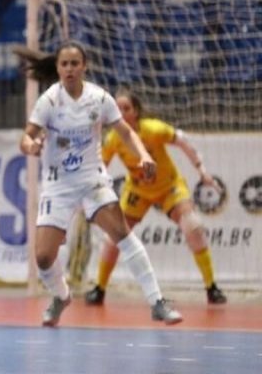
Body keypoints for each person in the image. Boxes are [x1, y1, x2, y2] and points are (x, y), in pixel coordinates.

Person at [19, 40, 182, 327]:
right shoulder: (49, 101)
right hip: (58, 184)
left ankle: (157, 302)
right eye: (64, 64)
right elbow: (26, 137)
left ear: (84, 66)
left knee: (121, 232)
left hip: (92, 178)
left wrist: (143, 154)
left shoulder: (99, 98)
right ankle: (61, 296)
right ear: (58, 67)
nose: (69, 69)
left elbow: (126, 132)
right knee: (44, 257)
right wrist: (32, 146)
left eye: (74, 63)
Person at [85, 87, 227, 306]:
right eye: (118, 108)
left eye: (127, 108)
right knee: (113, 236)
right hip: (138, 191)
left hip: (169, 186)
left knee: (193, 227)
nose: (121, 113)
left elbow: (182, 141)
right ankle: (99, 289)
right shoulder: (113, 139)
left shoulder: (153, 130)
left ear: (136, 112)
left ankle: (212, 287)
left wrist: (203, 172)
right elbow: (100, 167)